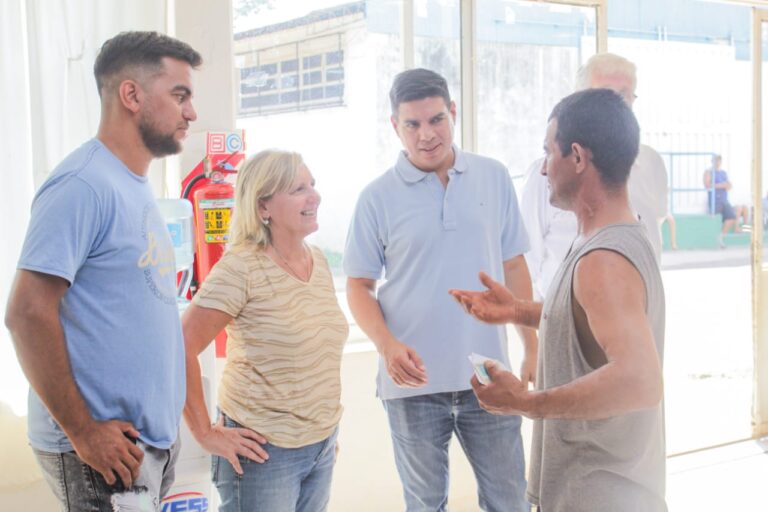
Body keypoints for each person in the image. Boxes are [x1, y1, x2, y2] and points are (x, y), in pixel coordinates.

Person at [4, 31, 201, 510]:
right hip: (102, 450)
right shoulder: (82, 184)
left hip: (143, 444)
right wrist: (83, 432)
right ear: (131, 95)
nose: (191, 112)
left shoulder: (132, 183)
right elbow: (26, 312)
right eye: (179, 95)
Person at [451, 89, 667, 512]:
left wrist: (525, 403)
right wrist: (517, 310)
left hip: (601, 495)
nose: (545, 169)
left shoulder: (603, 259)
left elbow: (641, 379)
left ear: (578, 157)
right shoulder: (614, 237)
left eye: (548, 153)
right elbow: (588, 319)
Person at [344, 68, 535, 512]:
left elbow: (514, 265)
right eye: (412, 124)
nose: (426, 135)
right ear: (395, 126)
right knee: (425, 505)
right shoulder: (376, 198)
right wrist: (387, 345)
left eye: (436, 120)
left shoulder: (493, 176)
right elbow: (358, 285)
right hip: (412, 385)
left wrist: (531, 345)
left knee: (510, 501)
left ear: (453, 112)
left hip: (489, 374)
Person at [182, 150, 348, 512]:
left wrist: (320, 434)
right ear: (263, 208)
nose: (314, 196)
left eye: (313, 185)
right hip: (264, 453)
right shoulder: (241, 267)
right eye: (298, 188)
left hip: (319, 445)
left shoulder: (317, 260)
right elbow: (178, 348)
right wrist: (205, 432)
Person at [521, 52, 668, 299]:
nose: (617, 106)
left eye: (624, 95)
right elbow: (526, 263)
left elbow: (655, 228)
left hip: (642, 313)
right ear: (578, 100)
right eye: (605, 95)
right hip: (564, 322)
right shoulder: (544, 174)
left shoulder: (651, 163)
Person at [703, 154, 748, 247]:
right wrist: (722, 185)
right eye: (716, 160)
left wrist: (720, 185)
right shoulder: (708, 172)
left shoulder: (723, 173)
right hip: (715, 201)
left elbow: (729, 186)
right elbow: (707, 185)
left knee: (732, 217)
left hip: (724, 200)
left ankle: (722, 236)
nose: (718, 162)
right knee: (727, 215)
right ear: (712, 161)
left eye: (719, 160)